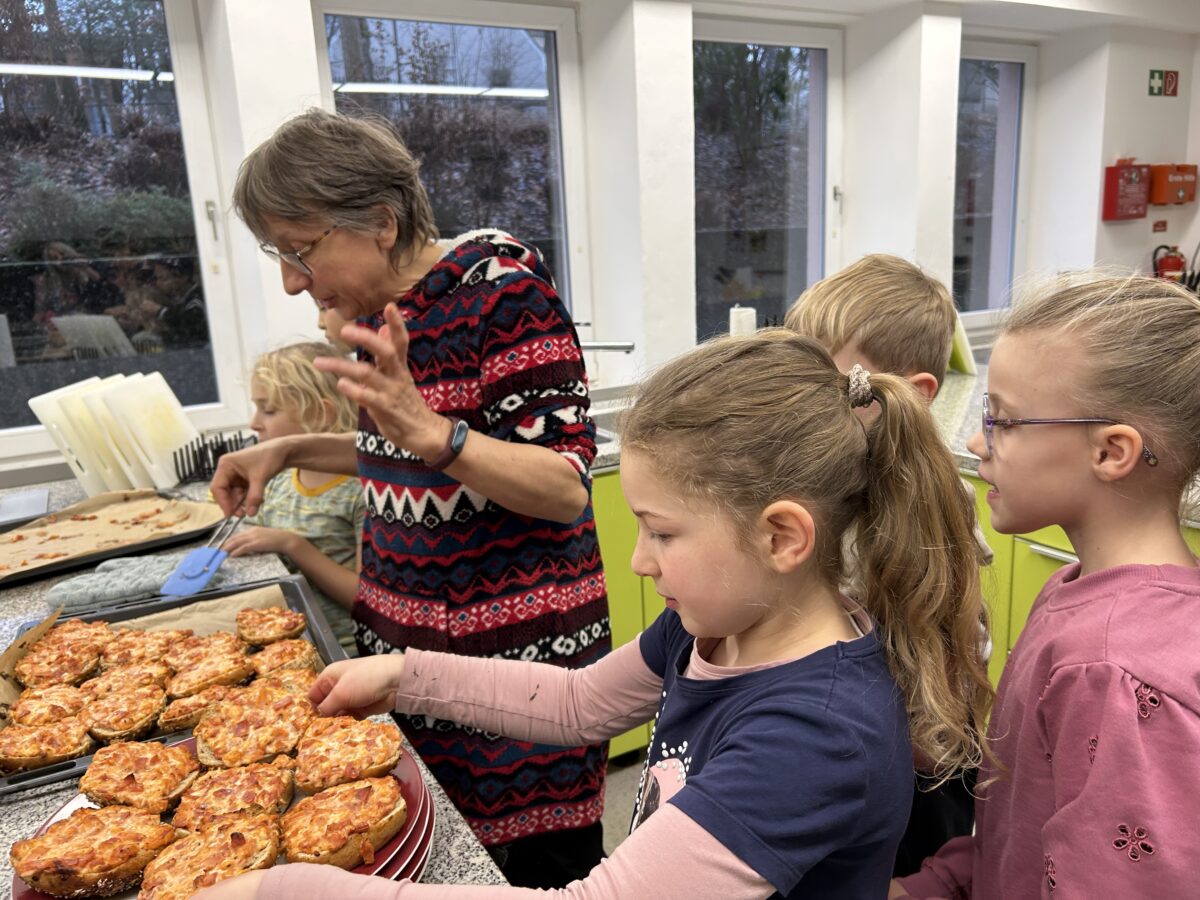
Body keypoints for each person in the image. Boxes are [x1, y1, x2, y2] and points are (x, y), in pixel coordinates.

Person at [198, 329, 993, 900]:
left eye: (663, 531)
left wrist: (292, 889)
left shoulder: (817, 734)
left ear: (783, 535)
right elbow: (580, 704)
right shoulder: (712, 625)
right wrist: (407, 676)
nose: (640, 561)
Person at [210, 109, 610, 887]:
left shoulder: (502, 294)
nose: (293, 280)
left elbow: (562, 487)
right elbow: (400, 453)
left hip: (514, 694)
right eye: (279, 254)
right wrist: (287, 447)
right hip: (409, 670)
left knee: (520, 878)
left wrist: (436, 435)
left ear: (381, 222)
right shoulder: (386, 318)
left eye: (300, 250)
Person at [893, 272, 1200, 898]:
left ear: (1112, 451)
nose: (978, 441)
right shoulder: (1072, 590)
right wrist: (945, 881)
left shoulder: (1112, 671)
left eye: (1003, 421)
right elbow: (1026, 820)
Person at [785, 253, 991, 875]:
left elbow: (957, 647)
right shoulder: (822, 485)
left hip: (920, 770)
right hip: (848, 757)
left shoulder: (934, 501)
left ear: (914, 393)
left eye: (833, 388)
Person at [222, 341, 364, 652]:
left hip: (339, 650)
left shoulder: (359, 492)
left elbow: (363, 598)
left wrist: (292, 545)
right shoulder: (278, 482)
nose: (254, 422)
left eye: (269, 409)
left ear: (321, 414)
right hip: (286, 642)